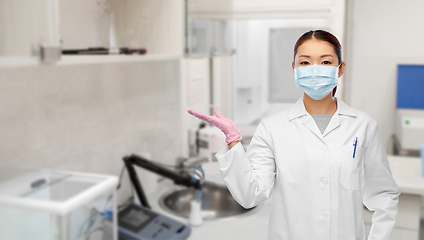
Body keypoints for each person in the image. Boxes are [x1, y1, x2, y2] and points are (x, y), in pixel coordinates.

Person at [188, 30, 400, 240]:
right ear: (294, 69)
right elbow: (250, 195)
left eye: (325, 62)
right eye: (305, 63)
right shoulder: (272, 128)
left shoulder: (363, 127)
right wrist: (233, 141)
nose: (315, 70)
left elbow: (384, 195)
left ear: (340, 68)